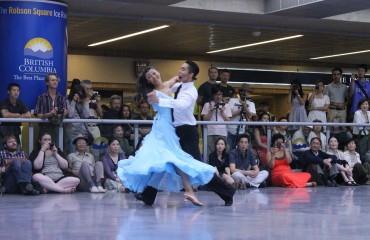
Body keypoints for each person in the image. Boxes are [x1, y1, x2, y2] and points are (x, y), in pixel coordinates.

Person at [135, 61, 236, 206]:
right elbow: (169, 84)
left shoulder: (191, 91)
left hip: (187, 132)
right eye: (180, 69)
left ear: (191, 74)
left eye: (183, 69)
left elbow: (181, 104)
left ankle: (227, 192)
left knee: (195, 166)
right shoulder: (180, 85)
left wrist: (161, 101)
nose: (179, 71)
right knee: (165, 159)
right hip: (174, 129)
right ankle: (148, 195)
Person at [34, 73, 68, 144]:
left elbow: (65, 112)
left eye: (56, 80)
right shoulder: (42, 97)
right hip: (45, 128)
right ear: (47, 83)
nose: (55, 82)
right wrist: (49, 114)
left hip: (59, 128)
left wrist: (64, 113)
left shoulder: (62, 98)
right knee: (45, 150)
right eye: (52, 80)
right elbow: (38, 114)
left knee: (58, 150)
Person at [201, 84, 232, 154]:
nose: (218, 97)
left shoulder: (226, 105)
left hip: (222, 133)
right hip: (210, 133)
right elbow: (205, 120)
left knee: (223, 153)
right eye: (216, 94)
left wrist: (222, 112)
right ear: (213, 95)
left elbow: (228, 121)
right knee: (209, 153)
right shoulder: (207, 104)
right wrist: (211, 110)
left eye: (220, 94)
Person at [226, 83, 256, 149]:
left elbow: (250, 116)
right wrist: (240, 110)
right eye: (243, 91)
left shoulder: (251, 103)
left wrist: (245, 106)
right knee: (228, 151)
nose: (245, 93)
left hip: (243, 131)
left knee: (242, 150)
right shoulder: (232, 100)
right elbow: (229, 114)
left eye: (247, 92)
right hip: (230, 131)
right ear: (240, 92)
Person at [65, 82, 90, 154]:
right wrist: (73, 101)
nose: (79, 95)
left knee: (84, 153)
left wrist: (85, 103)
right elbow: (70, 115)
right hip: (72, 132)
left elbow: (86, 115)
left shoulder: (84, 101)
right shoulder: (68, 101)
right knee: (72, 153)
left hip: (83, 132)